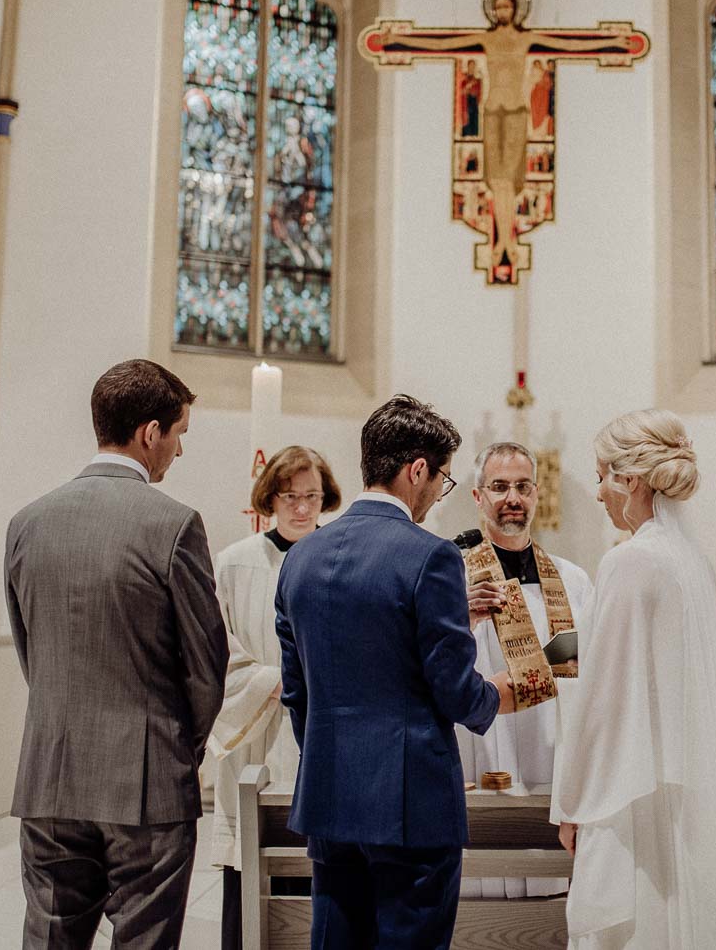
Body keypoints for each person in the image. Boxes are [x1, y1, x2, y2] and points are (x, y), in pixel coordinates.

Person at [275, 395, 520, 949]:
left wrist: (333, 755)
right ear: (417, 471)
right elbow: (455, 691)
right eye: (442, 481)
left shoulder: (301, 557)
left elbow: (297, 695)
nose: (438, 494)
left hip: (328, 796)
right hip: (411, 807)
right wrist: (499, 694)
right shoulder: (430, 556)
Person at [5, 359, 228, 949]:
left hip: (50, 774)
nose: (178, 452)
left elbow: (33, 654)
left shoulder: (26, 523)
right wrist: (180, 746)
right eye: (179, 434)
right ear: (150, 433)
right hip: (148, 784)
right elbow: (207, 665)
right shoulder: (174, 524)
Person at [551, 410, 716, 949]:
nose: (598, 491)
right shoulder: (693, 560)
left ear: (631, 481)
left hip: (633, 794)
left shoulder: (629, 562)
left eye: (602, 475)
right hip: (686, 785)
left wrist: (573, 803)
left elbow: (607, 699)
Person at [206, 445, 343, 950]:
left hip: (325, 735)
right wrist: (279, 682)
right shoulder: (235, 563)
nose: (303, 508)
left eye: (312, 496)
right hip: (260, 736)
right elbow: (215, 653)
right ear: (271, 497)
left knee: (323, 873)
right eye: (291, 496)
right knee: (252, 869)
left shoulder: (341, 555)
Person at [456, 441, 593, 899]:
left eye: (522, 486)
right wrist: (460, 615)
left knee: (549, 908)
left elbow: (580, 674)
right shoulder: (451, 575)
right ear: (478, 497)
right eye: (499, 487)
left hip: (550, 760)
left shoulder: (572, 581)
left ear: (537, 494)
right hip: (479, 751)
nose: (512, 497)